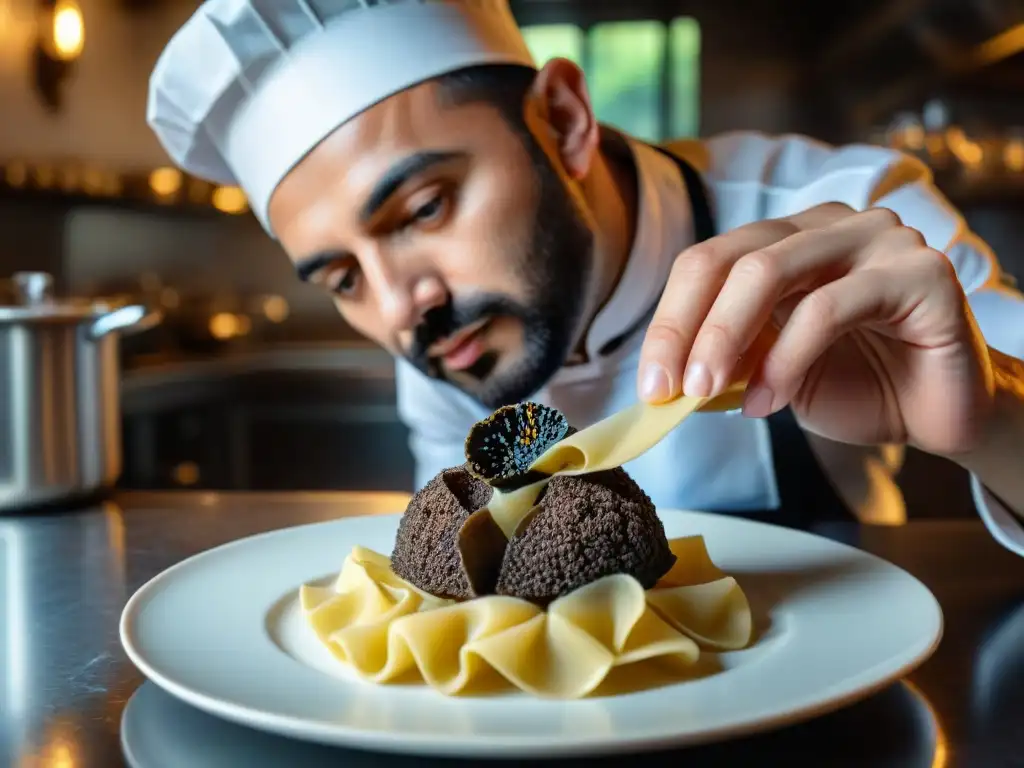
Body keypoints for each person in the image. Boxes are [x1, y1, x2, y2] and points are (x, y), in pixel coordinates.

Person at [148, 0, 1024, 553]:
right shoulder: (448, 339)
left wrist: (993, 417)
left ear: (563, 120)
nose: (399, 306)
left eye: (422, 210)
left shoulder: (847, 207)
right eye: (342, 277)